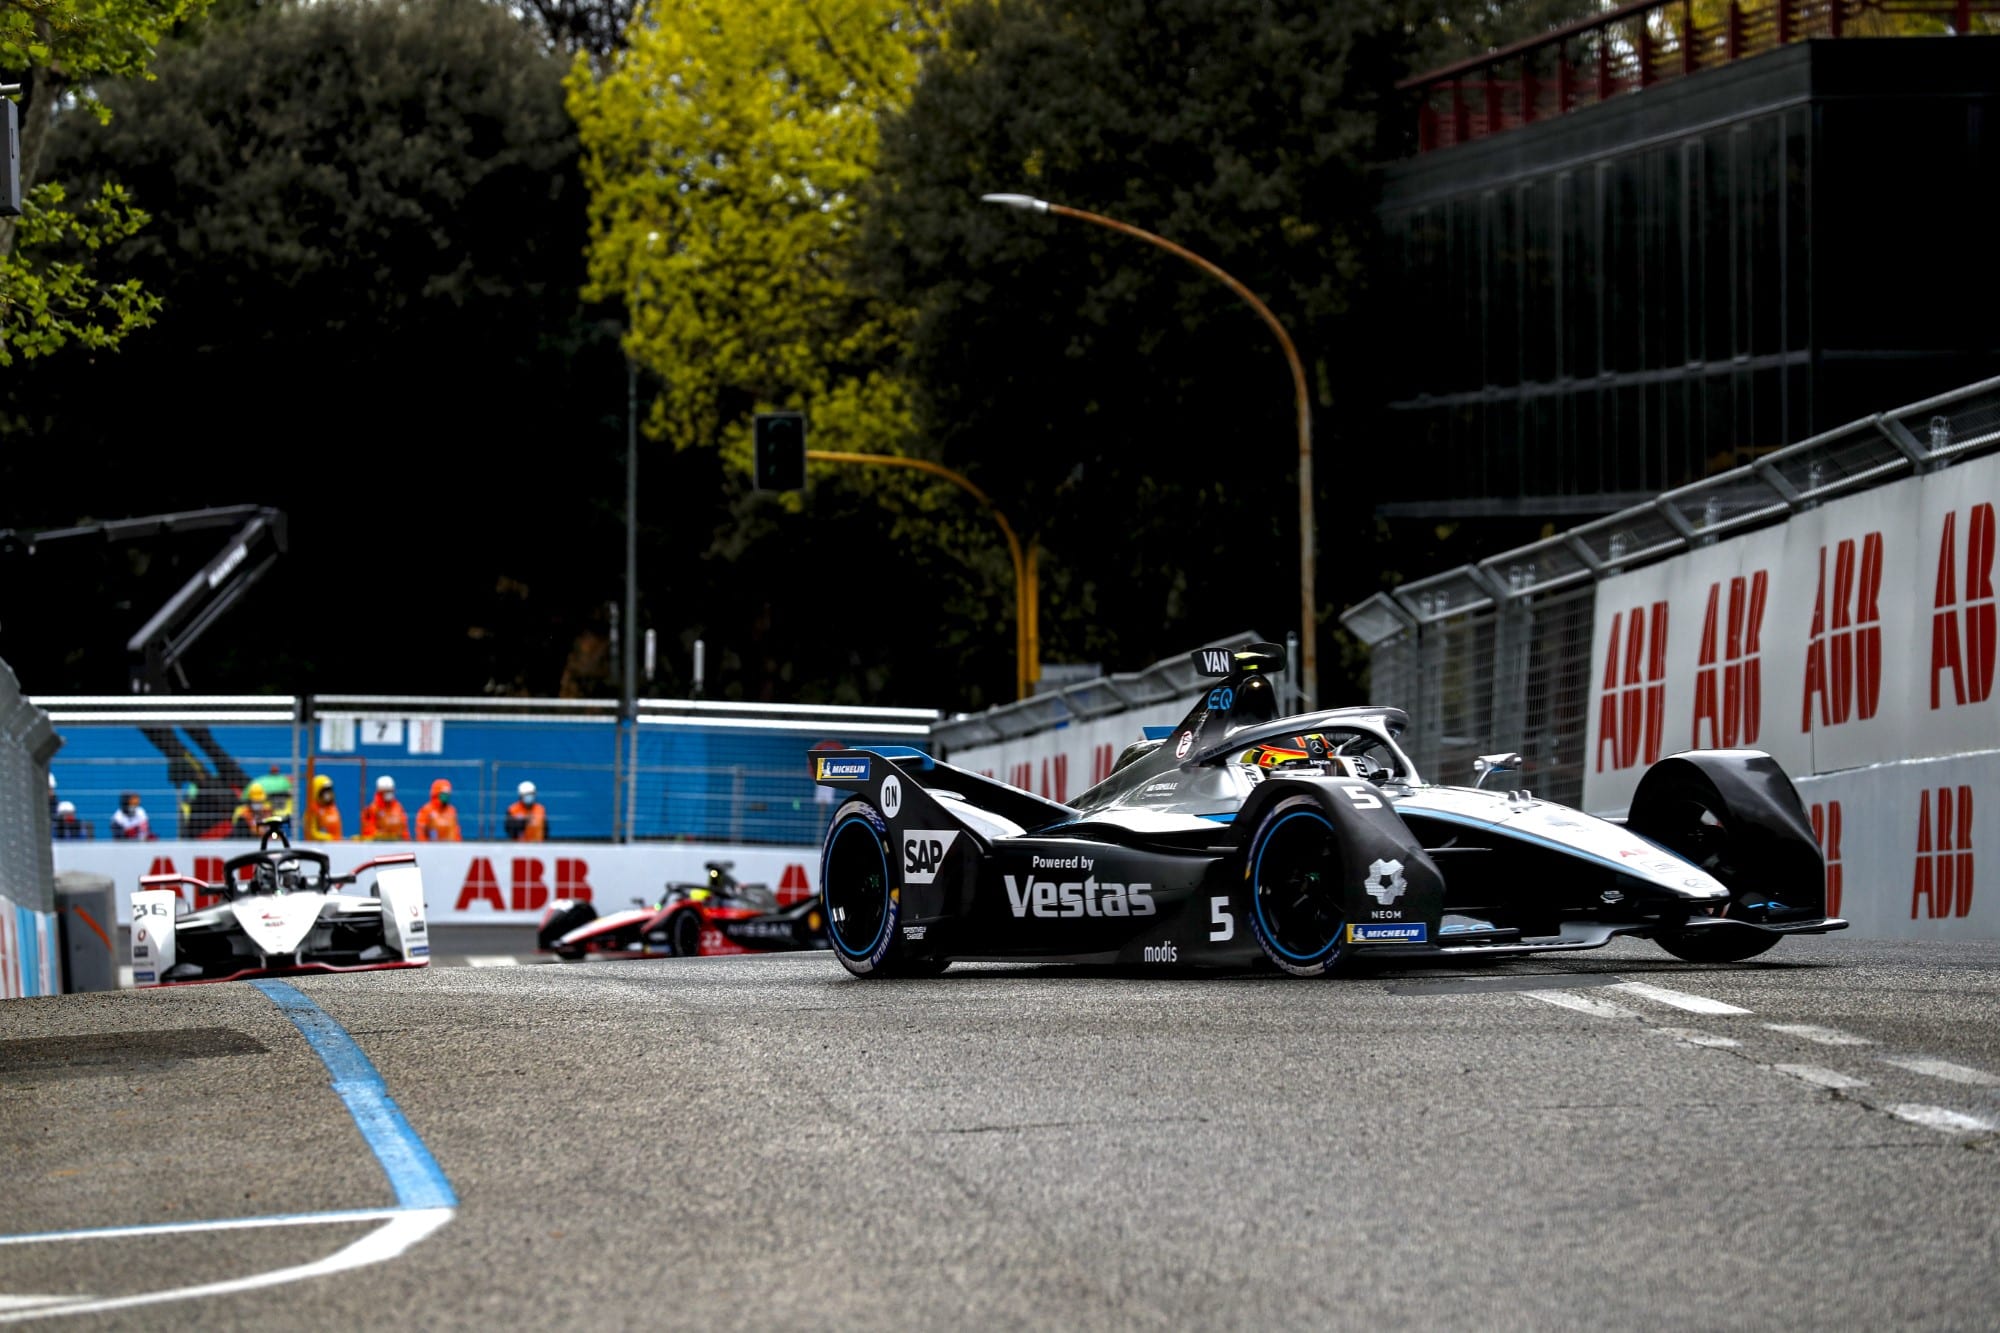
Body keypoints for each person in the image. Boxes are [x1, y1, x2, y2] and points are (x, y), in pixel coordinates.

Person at [359, 775, 410, 841]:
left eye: (391, 791)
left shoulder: (398, 807)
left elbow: (404, 827)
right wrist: (380, 835)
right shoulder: (372, 809)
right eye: (387, 791)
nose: (389, 794)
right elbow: (368, 829)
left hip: (398, 842)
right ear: (380, 792)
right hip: (379, 843)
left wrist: (406, 840)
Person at [303, 773, 343, 841]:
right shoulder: (312, 810)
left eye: (330, 790)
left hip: (336, 844)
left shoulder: (333, 808)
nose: (329, 794)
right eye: (325, 791)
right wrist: (330, 838)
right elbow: (311, 833)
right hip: (319, 846)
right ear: (316, 792)